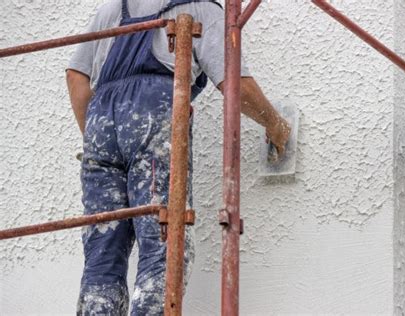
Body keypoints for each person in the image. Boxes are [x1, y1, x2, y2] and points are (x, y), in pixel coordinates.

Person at [66, 0, 290, 314]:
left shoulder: (112, 9)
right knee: (164, 245)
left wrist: (96, 141)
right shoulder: (200, 8)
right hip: (153, 115)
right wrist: (274, 124)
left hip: (100, 125)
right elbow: (234, 84)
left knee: (102, 253)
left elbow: (76, 76)